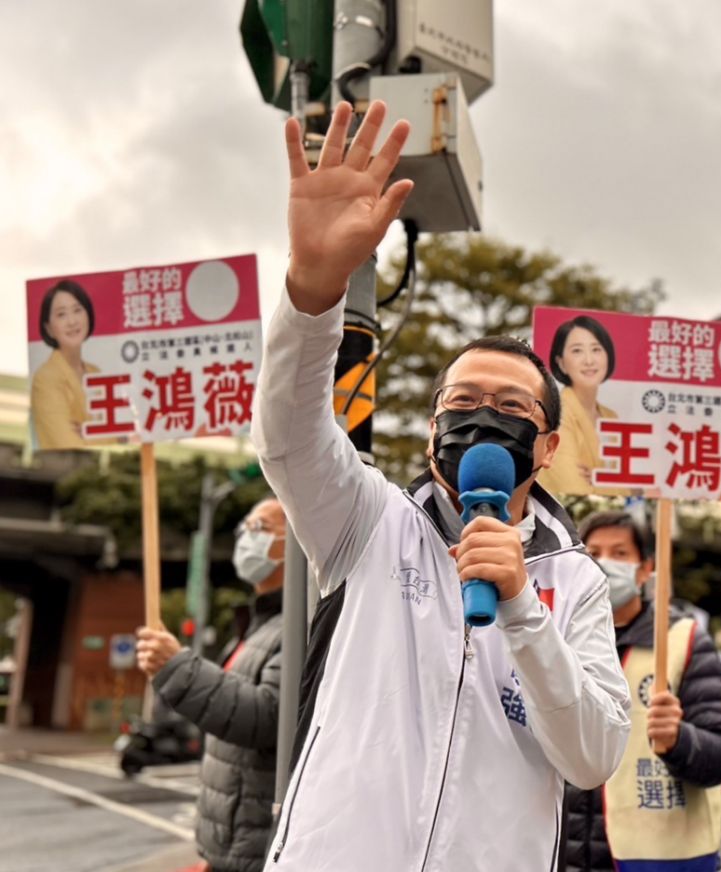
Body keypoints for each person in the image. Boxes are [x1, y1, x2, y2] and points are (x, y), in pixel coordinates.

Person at [254, 100, 630, 870]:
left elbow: (592, 756)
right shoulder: (368, 520)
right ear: (431, 434)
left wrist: (523, 606)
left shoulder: (579, 584)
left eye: (510, 408)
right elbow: (288, 436)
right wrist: (312, 293)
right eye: (460, 405)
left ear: (548, 443)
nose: (481, 420)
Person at [561, 510, 721, 872]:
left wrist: (680, 740)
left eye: (620, 554)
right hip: (567, 854)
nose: (605, 564)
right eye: (592, 554)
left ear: (645, 570)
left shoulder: (681, 640)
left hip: (655, 857)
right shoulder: (554, 638)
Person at [135, 498, 288, 872]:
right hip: (231, 850)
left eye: (260, 528)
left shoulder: (299, 624)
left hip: (259, 853)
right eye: (244, 529)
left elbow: (266, 716)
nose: (245, 539)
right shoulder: (257, 626)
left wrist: (177, 668)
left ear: (297, 540)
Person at [539, 315, 618, 495]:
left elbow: (633, 488)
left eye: (596, 349)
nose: (589, 360)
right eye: (577, 351)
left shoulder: (611, 417)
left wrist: (598, 479)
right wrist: (609, 481)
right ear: (561, 362)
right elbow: (572, 486)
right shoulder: (557, 415)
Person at [30, 279, 99, 450]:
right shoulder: (45, 379)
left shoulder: (95, 373)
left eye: (77, 310)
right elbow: (66, 443)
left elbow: (120, 435)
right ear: (48, 328)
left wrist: (88, 432)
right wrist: (104, 435)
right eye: (61, 314)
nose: (72, 321)